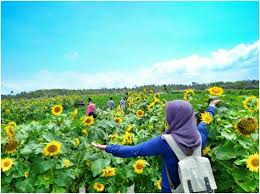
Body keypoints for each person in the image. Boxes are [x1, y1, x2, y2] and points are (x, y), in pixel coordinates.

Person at [92, 99, 221, 192]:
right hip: (197, 188)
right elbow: (204, 123)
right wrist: (211, 107)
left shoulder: (165, 142)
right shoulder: (200, 137)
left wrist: (107, 147)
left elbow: (135, 151)